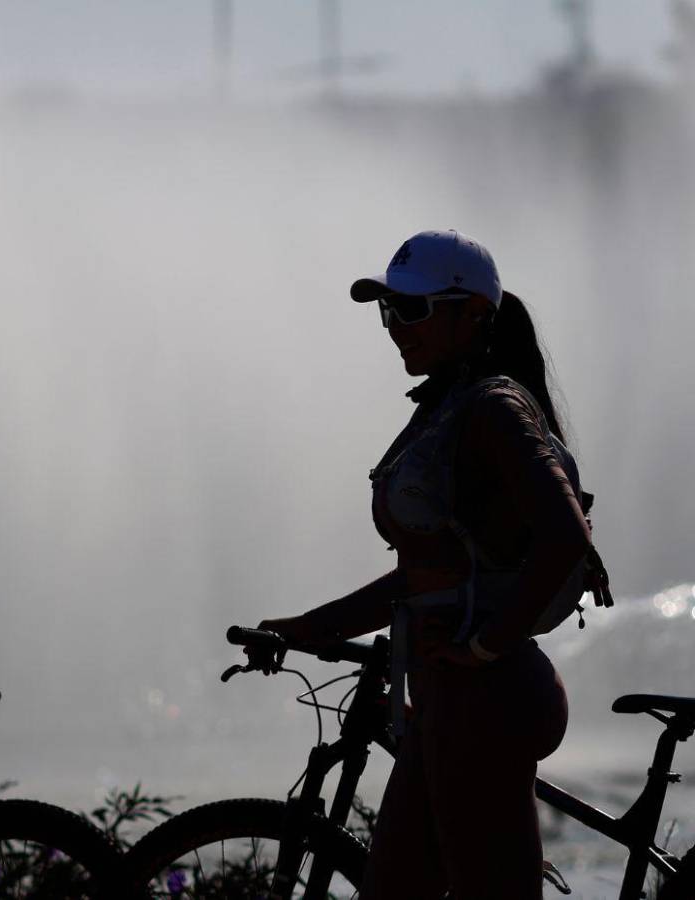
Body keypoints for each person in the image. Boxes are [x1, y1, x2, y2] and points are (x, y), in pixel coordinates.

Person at [256, 231, 593, 899]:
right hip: (450, 700)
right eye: (388, 310)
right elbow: (429, 574)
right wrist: (309, 627)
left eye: (411, 310)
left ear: (471, 314)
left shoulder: (495, 408)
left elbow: (566, 538)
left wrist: (485, 646)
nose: (394, 328)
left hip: (485, 701)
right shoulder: (450, 406)